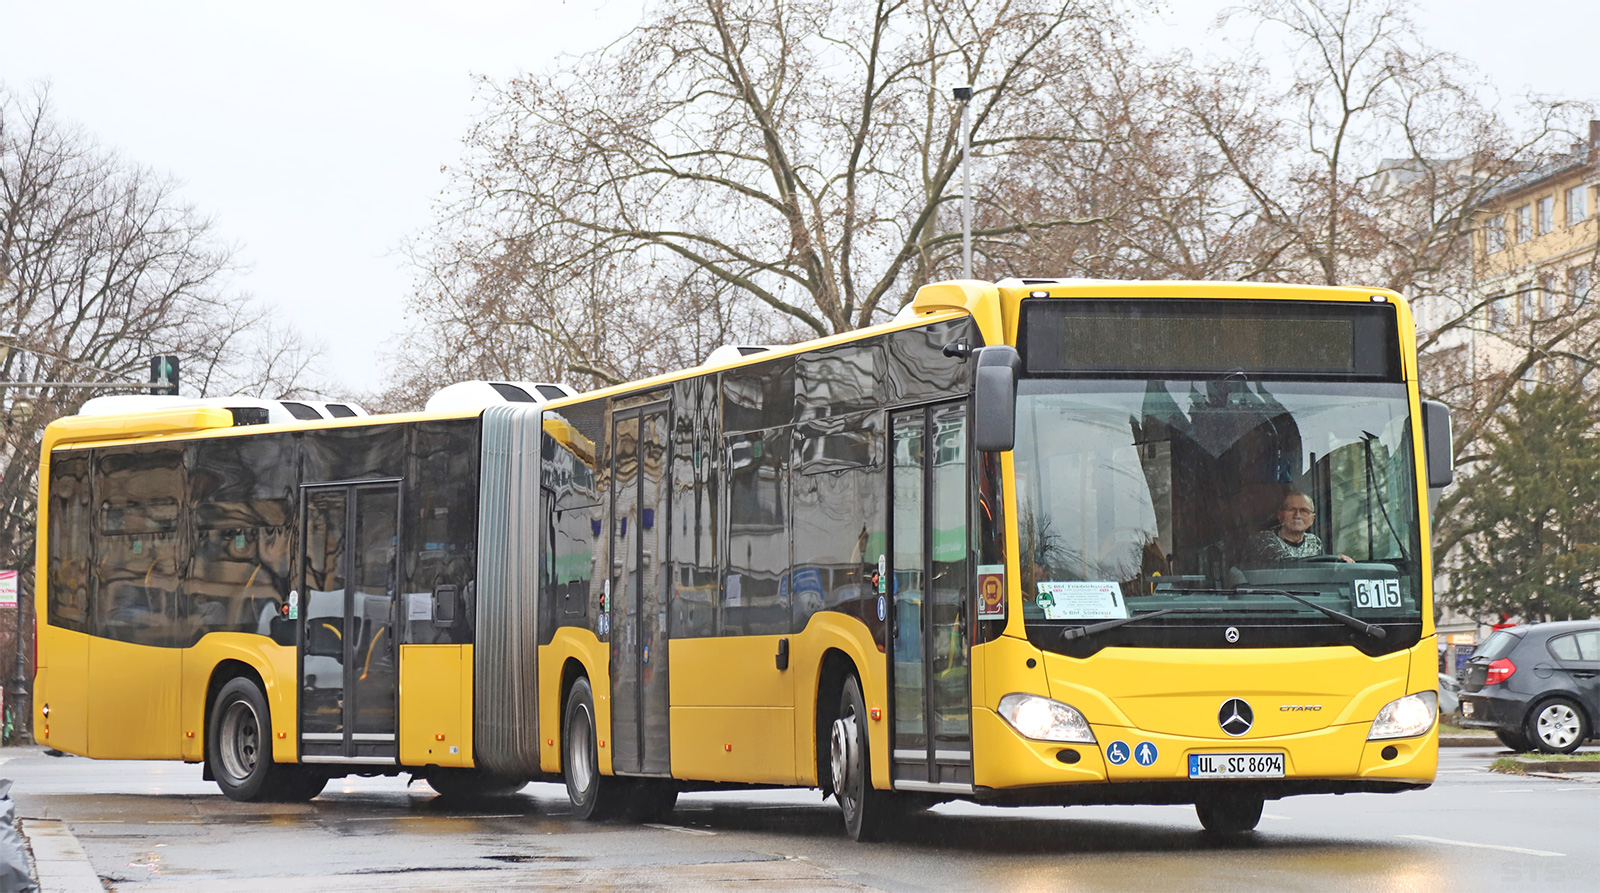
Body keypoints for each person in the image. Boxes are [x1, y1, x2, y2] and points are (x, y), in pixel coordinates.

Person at [1244, 490, 1351, 564]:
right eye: (1291, 509)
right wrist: (1332, 561)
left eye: (1304, 511)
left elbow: (1320, 571)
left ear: (1312, 519)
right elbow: (1287, 566)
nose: (1297, 515)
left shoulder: (1314, 542)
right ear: (1280, 515)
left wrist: (1340, 562)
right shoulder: (1264, 539)